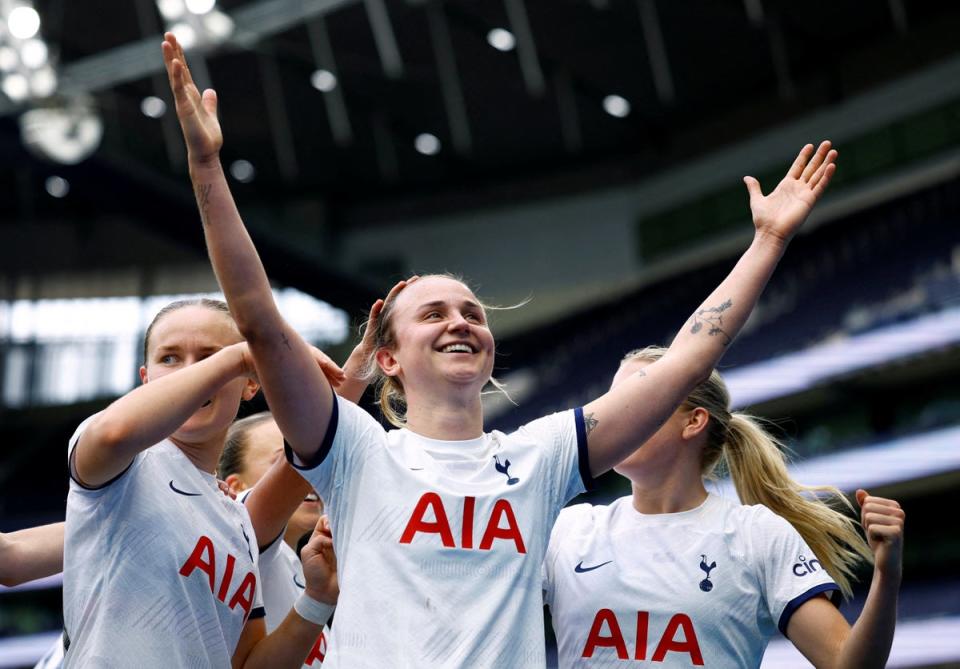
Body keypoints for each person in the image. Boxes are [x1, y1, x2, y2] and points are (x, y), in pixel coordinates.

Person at [163, 26, 838, 666]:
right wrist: (205, 167)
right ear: (390, 357)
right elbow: (258, 320)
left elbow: (689, 359)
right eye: (434, 313)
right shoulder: (354, 450)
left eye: (472, 313)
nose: (460, 321)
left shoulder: (541, 457)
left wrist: (767, 243)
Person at [543, 347, 904, 668]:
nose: (615, 415)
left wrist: (887, 575)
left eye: (637, 398)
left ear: (694, 421)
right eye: (612, 401)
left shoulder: (757, 535)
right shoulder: (565, 530)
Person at [63, 298, 340, 668]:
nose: (188, 372)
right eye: (170, 358)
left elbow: (247, 665)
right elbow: (114, 433)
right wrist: (237, 358)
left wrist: (318, 598)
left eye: (209, 355)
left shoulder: (238, 523)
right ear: (145, 379)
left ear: (251, 385)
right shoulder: (126, 462)